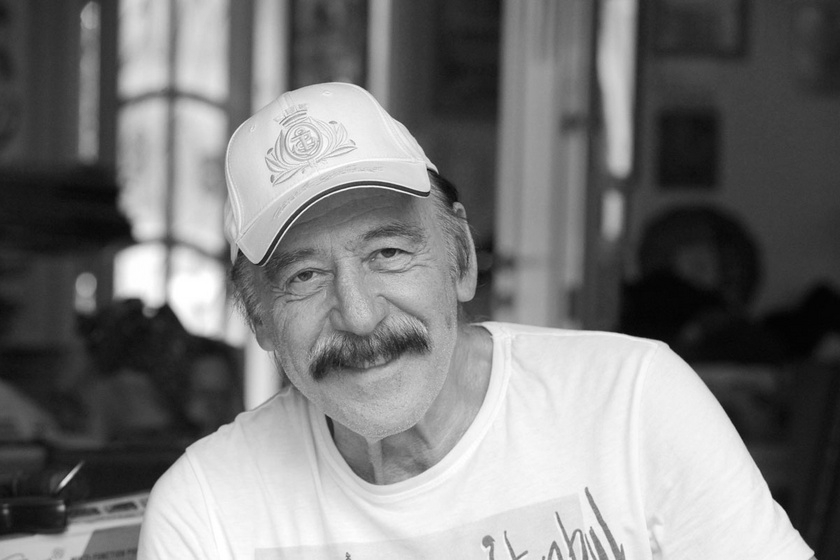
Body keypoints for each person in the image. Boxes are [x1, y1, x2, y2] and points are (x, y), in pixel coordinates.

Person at [137, 82, 815, 559]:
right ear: (259, 320)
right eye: (304, 277)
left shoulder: (632, 403)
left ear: (460, 258)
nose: (360, 315)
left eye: (389, 252)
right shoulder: (208, 511)